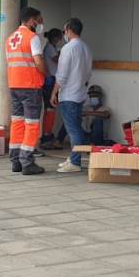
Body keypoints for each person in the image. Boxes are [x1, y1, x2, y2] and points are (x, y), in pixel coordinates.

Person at [6, 6, 48, 174]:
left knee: (17, 123)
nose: (40, 23)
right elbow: (38, 61)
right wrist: (46, 73)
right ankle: (27, 162)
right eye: (39, 19)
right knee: (32, 125)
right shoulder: (32, 37)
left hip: (14, 85)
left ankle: (15, 160)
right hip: (30, 86)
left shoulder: (10, 38)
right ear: (31, 20)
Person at [51, 18, 93, 173]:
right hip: (80, 94)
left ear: (68, 30)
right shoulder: (86, 48)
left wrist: (54, 92)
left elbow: (61, 75)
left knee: (73, 130)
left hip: (68, 95)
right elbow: (88, 74)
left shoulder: (68, 49)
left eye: (64, 31)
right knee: (75, 127)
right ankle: (74, 156)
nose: (64, 34)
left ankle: (75, 162)